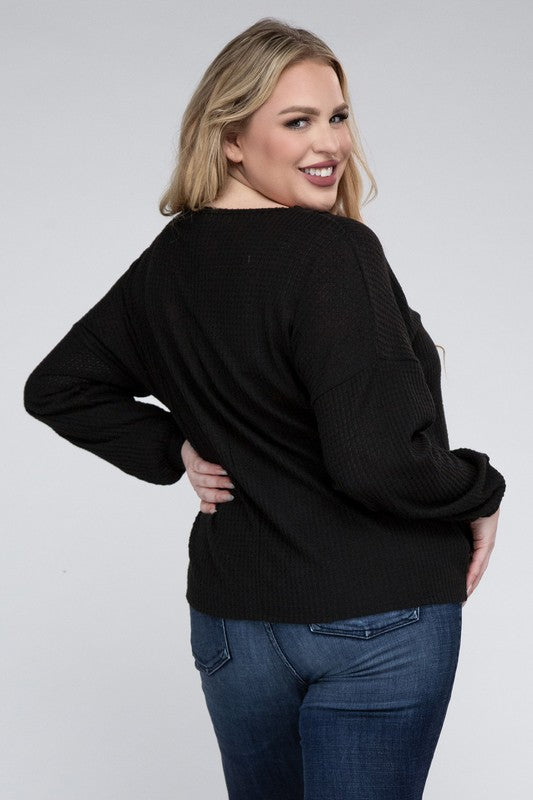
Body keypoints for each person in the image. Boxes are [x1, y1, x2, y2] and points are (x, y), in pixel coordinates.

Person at [23, 17, 506, 800]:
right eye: (297, 122)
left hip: (235, 628)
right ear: (231, 141)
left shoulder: (170, 260)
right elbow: (375, 462)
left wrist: (174, 446)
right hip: (376, 616)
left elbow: (59, 385)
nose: (331, 143)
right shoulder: (334, 252)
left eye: (337, 116)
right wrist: (478, 490)